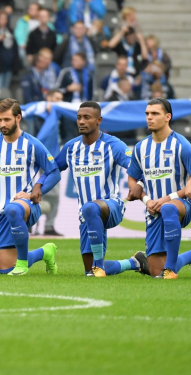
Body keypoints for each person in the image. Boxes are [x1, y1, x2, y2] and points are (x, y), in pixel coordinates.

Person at [56, 101, 149, 277]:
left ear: (99, 120)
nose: (81, 121)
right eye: (79, 118)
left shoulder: (113, 145)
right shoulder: (71, 147)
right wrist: (37, 186)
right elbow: (53, 170)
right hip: (85, 214)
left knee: (91, 207)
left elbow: (138, 168)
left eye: (86, 117)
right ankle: (134, 262)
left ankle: (99, 265)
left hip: (111, 206)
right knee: (88, 272)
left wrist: (139, 184)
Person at [0, 98, 60, 275]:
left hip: (27, 206)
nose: (2, 124)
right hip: (2, 211)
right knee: (6, 270)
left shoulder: (32, 143)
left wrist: (36, 190)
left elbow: (54, 172)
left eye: (7, 119)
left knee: (14, 209)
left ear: (18, 118)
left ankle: (22, 263)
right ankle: (45, 252)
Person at [125, 98, 191, 279]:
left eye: (155, 114)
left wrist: (168, 198)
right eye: (147, 114)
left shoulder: (181, 144)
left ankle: (170, 270)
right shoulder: (141, 147)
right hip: (153, 211)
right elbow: (132, 179)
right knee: (155, 272)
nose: (149, 118)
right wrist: (147, 200)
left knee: (169, 208)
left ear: (168, 117)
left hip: (180, 206)